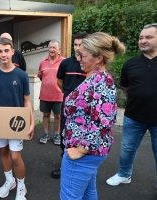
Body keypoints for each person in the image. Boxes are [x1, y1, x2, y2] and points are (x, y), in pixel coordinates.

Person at [60, 32, 125, 200]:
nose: (78, 58)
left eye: (83, 55)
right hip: (87, 149)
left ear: (98, 58)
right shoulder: (96, 78)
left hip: (85, 152)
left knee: (69, 197)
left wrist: (81, 150)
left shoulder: (102, 82)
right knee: (88, 194)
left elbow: (103, 122)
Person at [0, 38, 35, 200]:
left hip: (17, 123)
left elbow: (26, 101)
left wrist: (31, 122)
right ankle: (10, 181)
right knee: (3, 151)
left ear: (12, 52)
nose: (3, 54)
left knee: (16, 156)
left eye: (6, 51)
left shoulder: (21, 75)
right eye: (0, 51)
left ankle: (21, 186)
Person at [106, 23, 157, 191]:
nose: (143, 41)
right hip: (133, 116)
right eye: (141, 37)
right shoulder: (130, 63)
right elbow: (126, 88)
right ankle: (124, 174)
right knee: (127, 148)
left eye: (148, 37)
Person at [51, 32, 88, 179]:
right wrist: (69, 97)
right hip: (67, 107)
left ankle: (80, 167)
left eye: (81, 44)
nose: (78, 48)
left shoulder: (89, 63)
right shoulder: (66, 63)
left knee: (83, 137)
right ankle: (65, 165)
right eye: (76, 44)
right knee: (65, 135)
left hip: (85, 110)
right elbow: (59, 82)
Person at [37, 40, 64, 145]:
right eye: (50, 47)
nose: (51, 50)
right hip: (45, 94)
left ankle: (57, 134)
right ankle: (46, 133)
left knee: (58, 116)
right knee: (46, 114)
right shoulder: (42, 62)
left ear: (59, 49)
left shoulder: (64, 62)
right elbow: (40, 77)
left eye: (54, 47)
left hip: (58, 95)